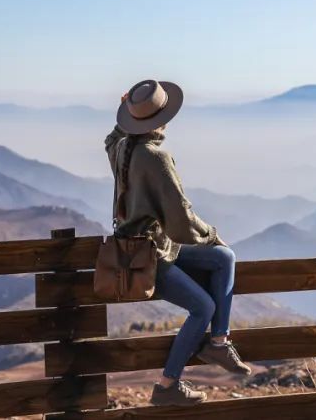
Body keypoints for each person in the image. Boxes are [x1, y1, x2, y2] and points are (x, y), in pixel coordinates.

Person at [105, 79, 251, 407]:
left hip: (145, 248)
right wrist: (210, 234)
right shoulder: (155, 157)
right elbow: (181, 218)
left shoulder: (123, 148)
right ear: (163, 117)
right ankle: (167, 385)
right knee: (203, 307)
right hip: (150, 257)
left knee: (224, 258)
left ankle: (218, 342)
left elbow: (110, 139)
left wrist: (124, 116)